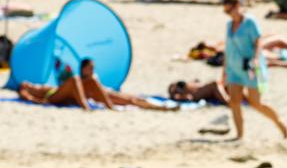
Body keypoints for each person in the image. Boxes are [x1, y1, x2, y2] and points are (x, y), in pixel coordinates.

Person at [222, 0, 287, 140]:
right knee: (234, 102)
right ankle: (239, 135)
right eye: (225, 11)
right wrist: (224, 70)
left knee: (255, 103)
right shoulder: (229, 25)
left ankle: (280, 123)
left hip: (250, 68)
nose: (228, 14)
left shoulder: (250, 22)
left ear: (237, 6)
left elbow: (258, 41)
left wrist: (256, 58)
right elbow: (227, 48)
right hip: (233, 69)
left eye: (229, 10)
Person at [18, 58, 178, 112]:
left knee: (130, 99)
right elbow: (29, 97)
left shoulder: (85, 82)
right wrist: (35, 97)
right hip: (52, 97)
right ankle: (89, 107)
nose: (28, 83)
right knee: (75, 80)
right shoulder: (26, 88)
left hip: (64, 93)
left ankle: (159, 107)